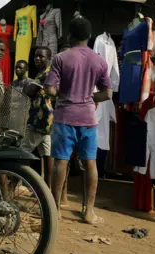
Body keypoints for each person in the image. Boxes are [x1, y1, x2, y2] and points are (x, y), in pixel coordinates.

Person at [45, 17, 112, 224]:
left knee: (60, 162)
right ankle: (89, 212)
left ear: (69, 36)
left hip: (65, 116)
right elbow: (108, 93)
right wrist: (91, 98)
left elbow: (49, 90)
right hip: (88, 118)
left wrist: (61, 95)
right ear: (89, 36)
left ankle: (56, 210)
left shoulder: (60, 58)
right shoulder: (99, 60)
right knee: (90, 163)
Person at [20, 47, 55, 190]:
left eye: (41, 56)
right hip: (46, 122)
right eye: (36, 56)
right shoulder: (42, 74)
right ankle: (47, 191)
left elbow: (28, 92)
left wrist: (30, 89)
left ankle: (11, 189)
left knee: (22, 152)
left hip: (40, 121)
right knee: (47, 156)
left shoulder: (47, 75)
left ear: (49, 58)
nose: (37, 59)